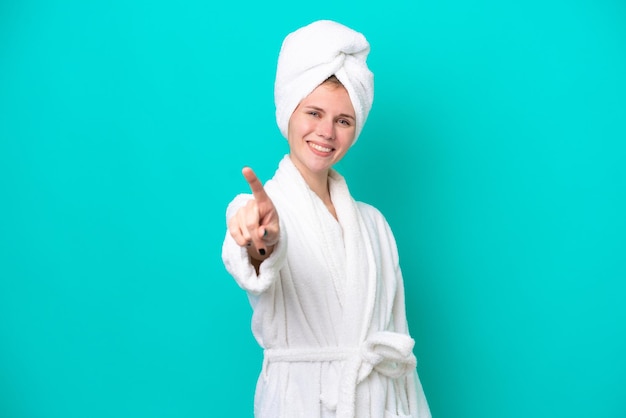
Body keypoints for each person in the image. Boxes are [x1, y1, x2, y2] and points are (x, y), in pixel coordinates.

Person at [222, 20, 431, 418]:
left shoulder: (374, 225)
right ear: (288, 112)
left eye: (343, 120)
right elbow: (255, 250)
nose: (326, 132)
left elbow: (399, 345)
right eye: (313, 112)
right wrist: (260, 243)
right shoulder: (259, 212)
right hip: (302, 403)